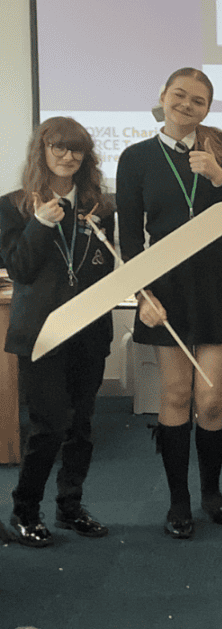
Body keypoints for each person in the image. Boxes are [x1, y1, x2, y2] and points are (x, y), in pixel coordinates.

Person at [116, 67, 222, 539]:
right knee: (174, 395)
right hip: (166, 289)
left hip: (217, 286)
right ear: (163, 97)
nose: (187, 106)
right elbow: (130, 237)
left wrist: (218, 178)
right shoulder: (135, 158)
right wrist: (141, 294)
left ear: (208, 109)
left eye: (198, 101)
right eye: (180, 96)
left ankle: (211, 492)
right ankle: (179, 502)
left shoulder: (220, 154)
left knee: (211, 399)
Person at [2, 117, 116, 547]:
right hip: (41, 334)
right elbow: (19, 269)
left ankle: (70, 507)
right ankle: (25, 511)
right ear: (42, 151)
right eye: (60, 148)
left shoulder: (100, 207)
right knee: (47, 426)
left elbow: (104, 267)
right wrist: (41, 223)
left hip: (88, 332)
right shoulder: (13, 206)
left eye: (77, 150)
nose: (68, 156)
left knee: (81, 426)